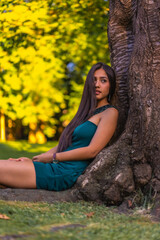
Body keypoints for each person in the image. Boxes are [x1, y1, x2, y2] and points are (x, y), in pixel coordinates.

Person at [0, 62, 118, 191]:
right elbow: (65, 144)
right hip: (55, 166)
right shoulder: (85, 113)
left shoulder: (110, 113)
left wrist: (53, 158)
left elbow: (92, 151)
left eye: (103, 81)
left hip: (63, 173)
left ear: (111, 85)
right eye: (93, 80)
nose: (97, 84)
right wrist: (33, 160)